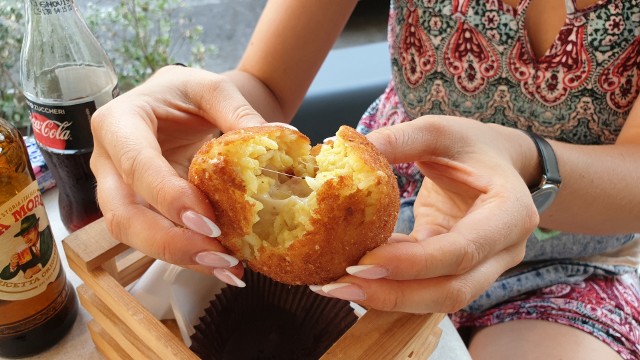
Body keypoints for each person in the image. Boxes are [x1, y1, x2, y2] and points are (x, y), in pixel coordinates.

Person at [89, 1, 640, 358]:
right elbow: (264, 82)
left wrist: (529, 163)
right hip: (368, 215)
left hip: (570, 256)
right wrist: (193, 102)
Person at [1, 214, 54, 280]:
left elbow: (50, 251)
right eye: (23, 236)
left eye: (29, 232)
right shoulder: (23, 253)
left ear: (37, 226)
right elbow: (3, 275)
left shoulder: (47, 233)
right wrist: (12, 265)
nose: (26, 239)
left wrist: (38, 267)